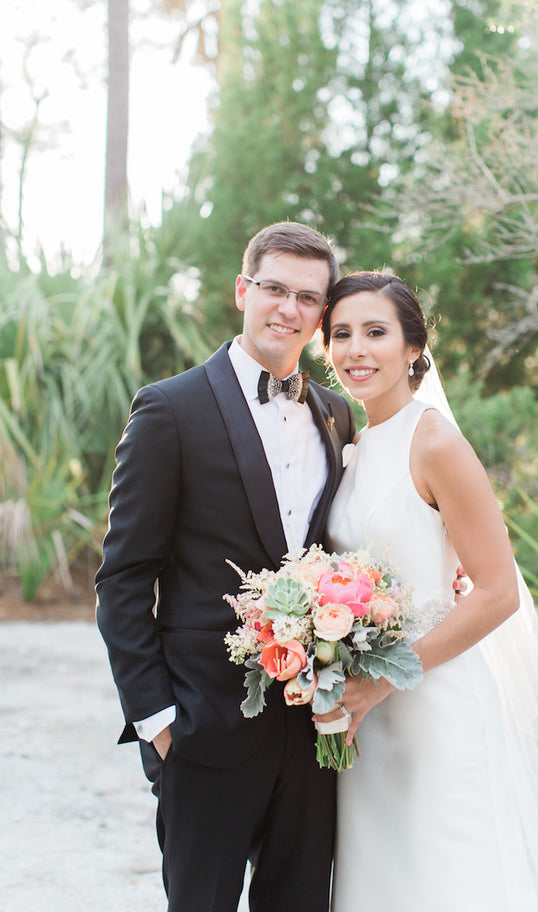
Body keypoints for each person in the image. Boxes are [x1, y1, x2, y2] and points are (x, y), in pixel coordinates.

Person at [318, 271, 538, 912]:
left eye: (375, 332)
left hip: (434, 703)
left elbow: (498, 591)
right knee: (384, 881)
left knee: (452, 880)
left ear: (414, 349)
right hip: (366, 714)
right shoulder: (354, 445)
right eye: (341, 334)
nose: (356, 349)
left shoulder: (436, 441)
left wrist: (384, 681)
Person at [95, 222, 355, 912]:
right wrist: (156, 721)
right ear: (243, 290)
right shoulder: (169, 409)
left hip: (313, 730)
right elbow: (123, 577)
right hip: (203, 729)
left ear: (321, 314)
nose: (288, 309)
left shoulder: (337, 416)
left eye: (308, 297)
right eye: (273, 288)